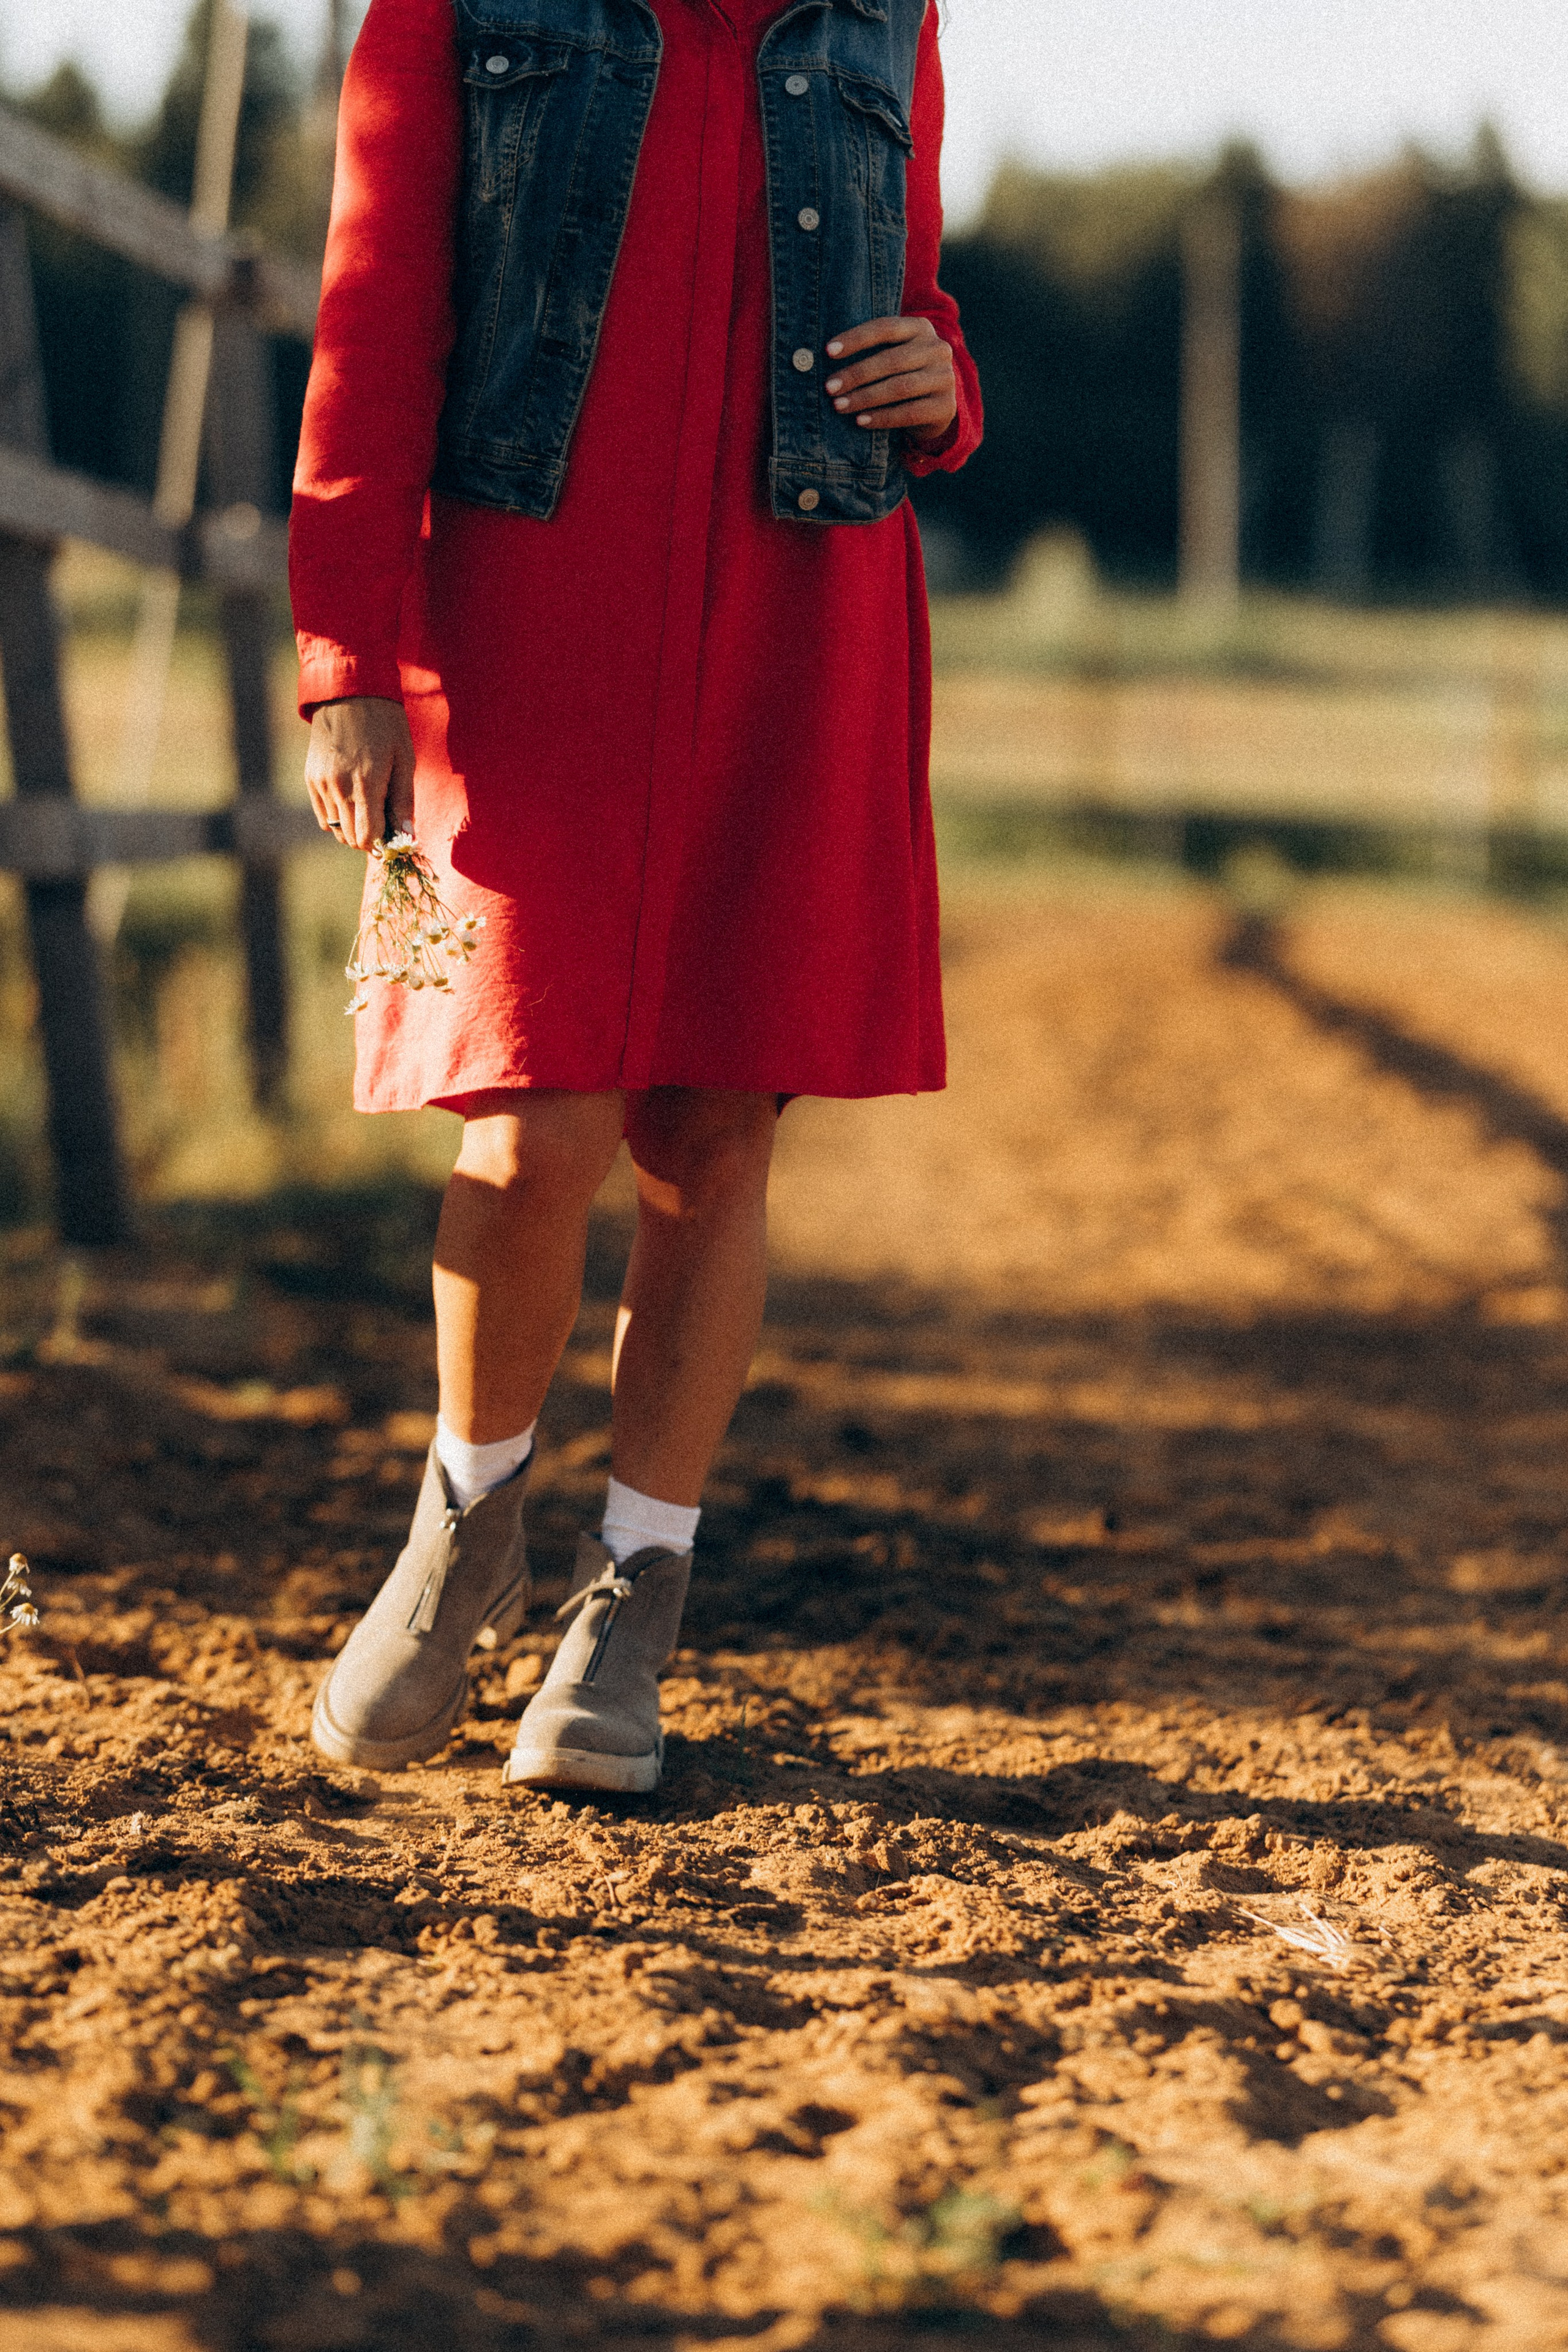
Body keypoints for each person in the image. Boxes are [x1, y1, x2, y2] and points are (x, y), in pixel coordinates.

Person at [290, 0, 982, 1796]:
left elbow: (910, 292)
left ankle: (636, 1600)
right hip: (528, 623)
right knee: (531, 1124)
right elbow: (372, 314)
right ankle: (467, 1524)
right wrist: (345, 644)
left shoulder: (884, 15)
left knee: (716, 1134)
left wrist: (947, 379)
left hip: (799, 609)